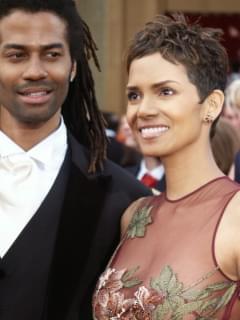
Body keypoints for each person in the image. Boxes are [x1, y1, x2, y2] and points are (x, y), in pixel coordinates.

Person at [0, 1, 152, 320]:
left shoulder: (125, 201)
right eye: (16, 55)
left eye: (52, 55)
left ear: (73, 67)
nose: (35, 71)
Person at [93, 14, 240, 319]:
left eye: (165, 91)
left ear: (211, 105)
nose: (142, 110)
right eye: (134, 95)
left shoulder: (235, 216)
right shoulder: (135, 215)